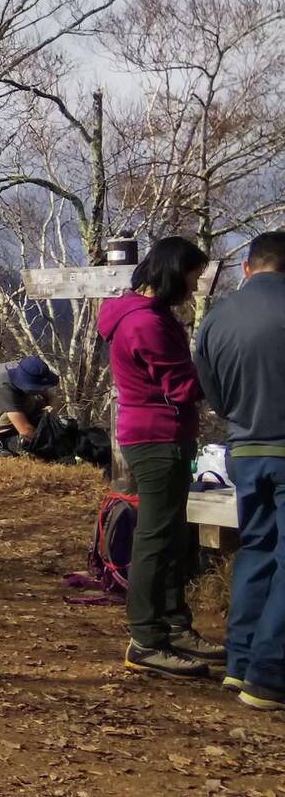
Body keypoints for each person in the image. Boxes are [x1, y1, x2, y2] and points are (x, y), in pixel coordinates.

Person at [98, 236, 219, 679]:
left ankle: (172, 624)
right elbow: (183, 387)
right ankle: (146, 638)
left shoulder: (145, 315)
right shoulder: (145, 324)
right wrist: (219, 365)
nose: (193, 286)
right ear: (173, 273)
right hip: (157, 439)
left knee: (170, 533)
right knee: (155, 535)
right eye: (192, 276)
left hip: (159, 435)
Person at [196, 231, 285, 709]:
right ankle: (269, 676)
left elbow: (211, 390)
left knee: (256, 548)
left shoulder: (216, 318)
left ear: (247, 268)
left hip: (245, 447)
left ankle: (240, 662)